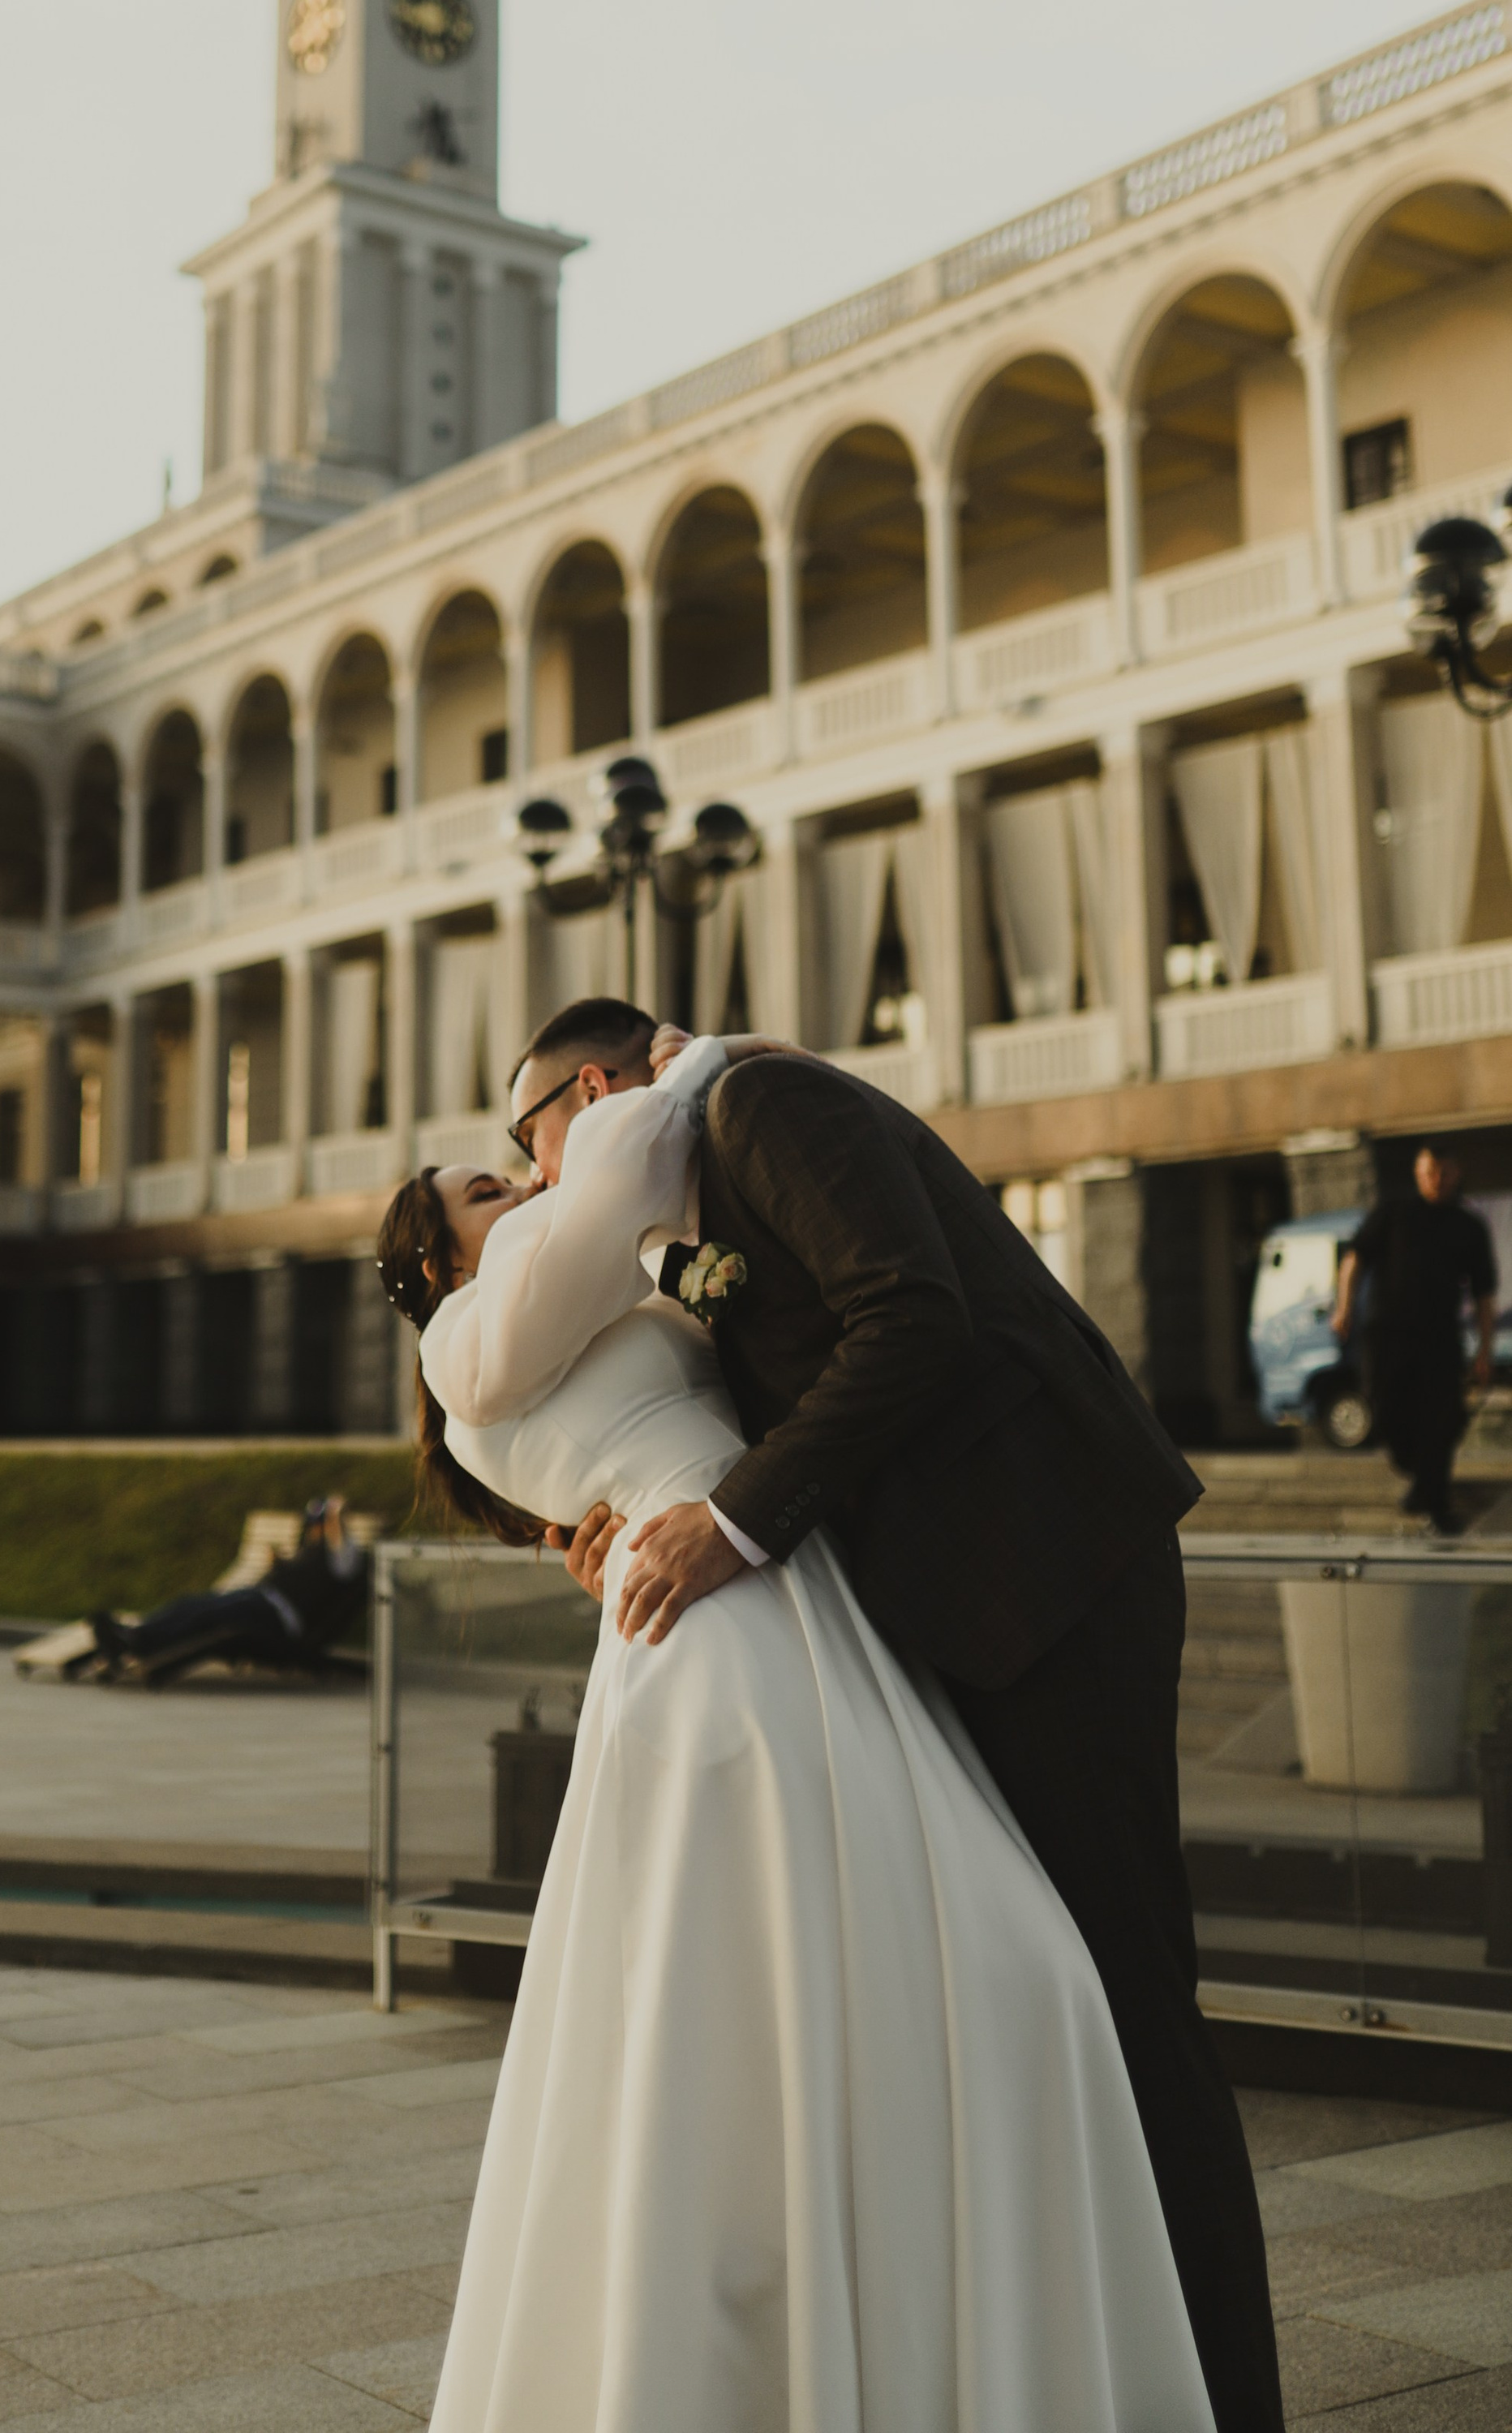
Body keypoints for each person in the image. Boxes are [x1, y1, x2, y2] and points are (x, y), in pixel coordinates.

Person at [379, 1032, 1217, 2431]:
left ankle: (947, 2305)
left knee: (963, 1962)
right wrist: (683, 1077)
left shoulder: (638, 1233)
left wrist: (683, 1087)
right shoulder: (477, 1327)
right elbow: (605, 1240)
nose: (519, 1178)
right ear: (431, 1267)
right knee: (770, 1987)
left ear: (586, 1094)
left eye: (519, 1143)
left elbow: (816, 1346)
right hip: (725, 1621)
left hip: (807, 1582)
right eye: (483, 1185)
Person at [1334, 1144, 1498, 1535]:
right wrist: (1344, 1307)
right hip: (1386, 1335)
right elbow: (1355, 1259)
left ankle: (1435, 1503)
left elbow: (1484, 1294)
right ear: (1417, 1173)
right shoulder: (1394, 1215)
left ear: (1455, 1173)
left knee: (1441, 1420)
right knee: (1385, 1410)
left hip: (1439, 1338)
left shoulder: (1468, 1225)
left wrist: (1485, 1351)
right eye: (1428, 1173)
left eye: (1443, 1173)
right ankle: (1424, 1482)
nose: (1435, 1180)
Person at [83, 1495, 366, 1686]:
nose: (315, 1531)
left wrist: (335, 1514)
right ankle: (132, 1636)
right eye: (313, 1525)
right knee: (192, 1605)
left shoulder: (341, 1558)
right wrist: (278, 1564)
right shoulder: (306, 1554)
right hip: (258, 1600)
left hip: (277, 1619)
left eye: (319, 1526)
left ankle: (140, 1642)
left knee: (211, 1618)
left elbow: (341, 1540)